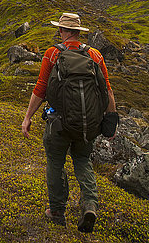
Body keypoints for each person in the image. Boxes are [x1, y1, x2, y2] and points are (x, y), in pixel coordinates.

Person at [21, 12, 117, 233]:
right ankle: (90, 205)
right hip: (89, 125)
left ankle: (56, 211)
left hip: (60, 124)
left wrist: (28, 118)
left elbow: (41, 88)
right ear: (79, 31)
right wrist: (110, 121)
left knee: (55, 162)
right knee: (82, 160)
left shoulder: (53, 54)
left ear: (63, 31)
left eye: (60, 29)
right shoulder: (95, 55)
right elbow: (107, 90)